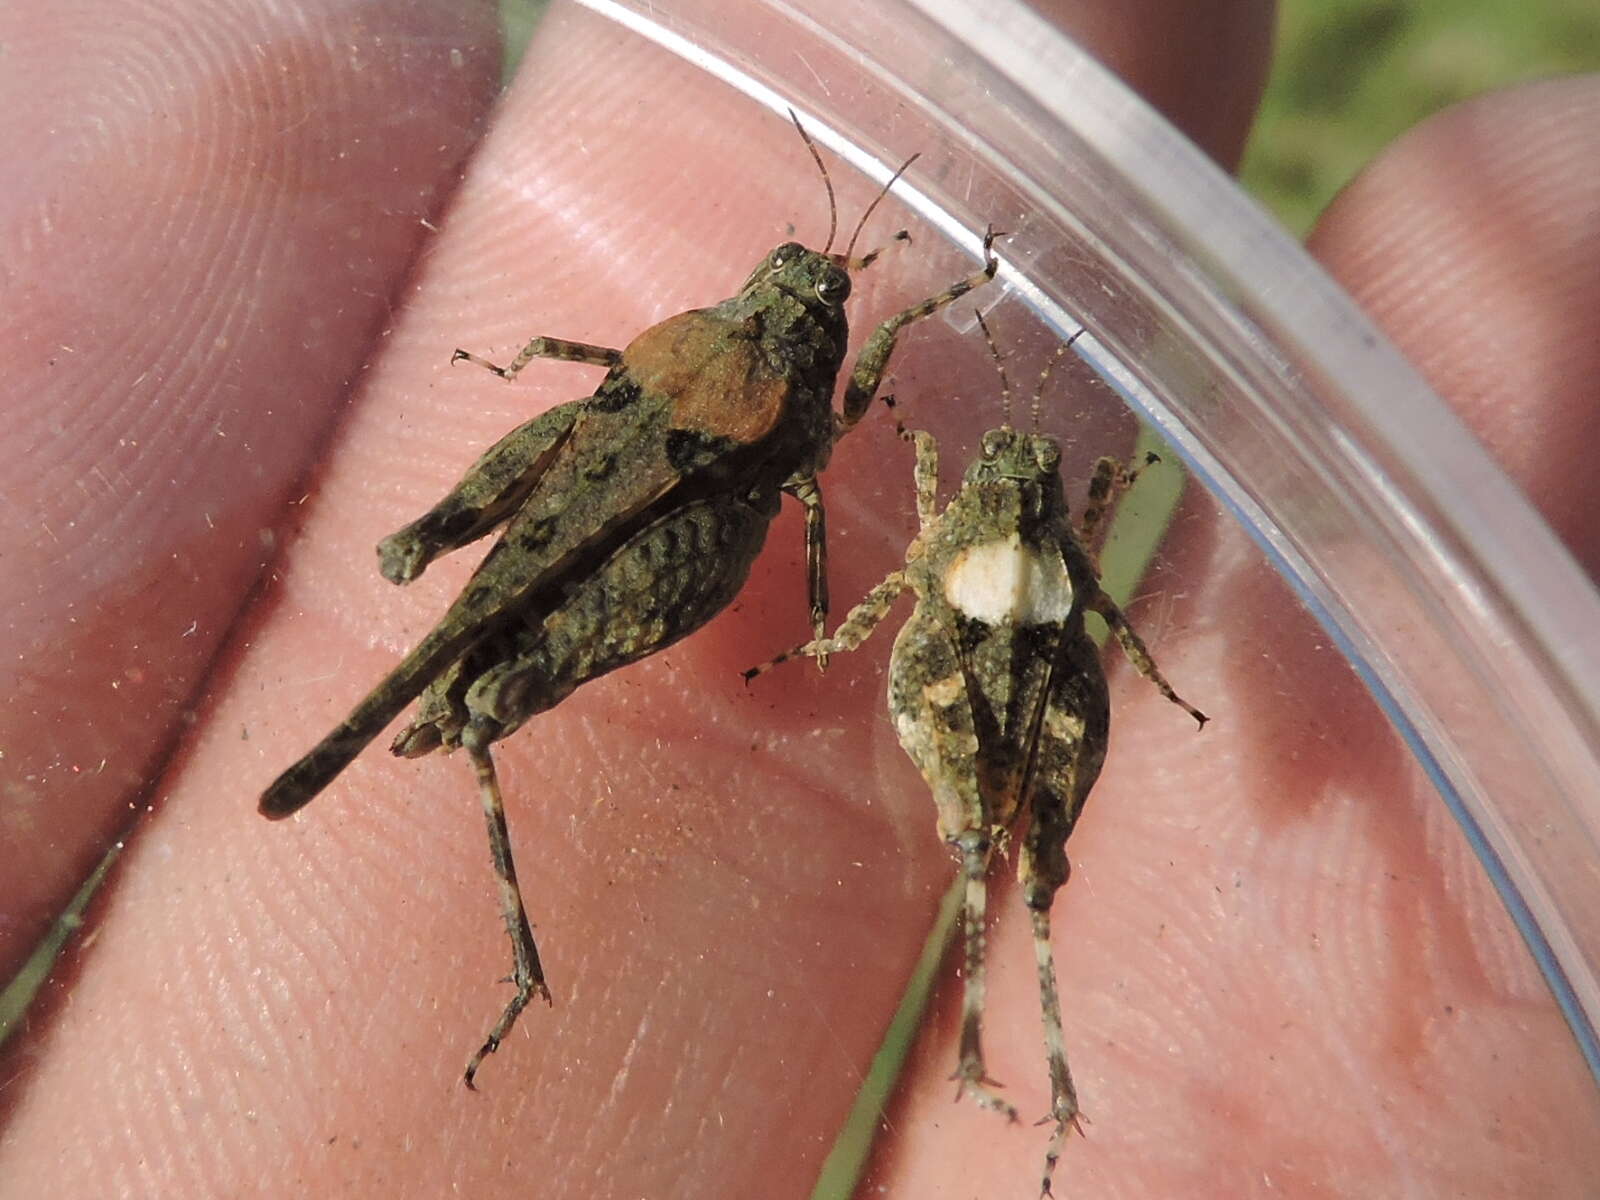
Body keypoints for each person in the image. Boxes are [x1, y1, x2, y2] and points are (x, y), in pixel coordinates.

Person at [3, 1, 1597, 1194]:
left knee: (544, 590)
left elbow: (714, 398)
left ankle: (464, 697)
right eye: (809, 284)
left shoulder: (796, 368)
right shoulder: (818, 381)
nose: (819, 294)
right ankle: (494, 861)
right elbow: (737, 427)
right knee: (484, 619)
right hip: (646, 490)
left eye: (817, 289)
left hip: (671, 473)